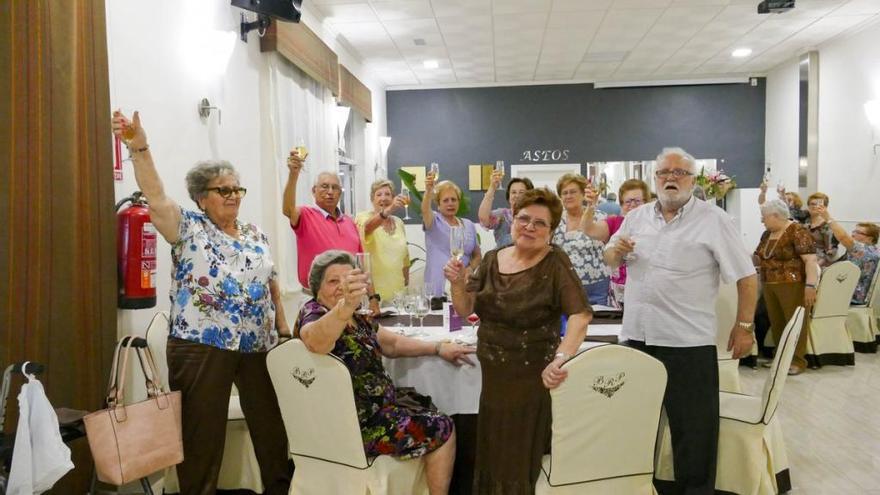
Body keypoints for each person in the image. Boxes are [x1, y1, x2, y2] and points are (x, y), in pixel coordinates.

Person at [111, 111, 291, 494]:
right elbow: (156, 197)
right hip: (201, 346)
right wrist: (139, 147)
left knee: (273, 431)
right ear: (201, 197)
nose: (232, 196)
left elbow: (271, 284)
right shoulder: (188, 227)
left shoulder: (254, 233)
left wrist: (283, 329)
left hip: (258, 345)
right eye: (222, 190)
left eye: (236, 189)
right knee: (201, 438)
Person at [605, 147, 757, 494]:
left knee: (694, 430)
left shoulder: (714, 220)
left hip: (687, 342)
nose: (671, 178)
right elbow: (610, 256)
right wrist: (616, 252)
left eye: (679, 173)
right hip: (637, 340)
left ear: (692, 180)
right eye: (664, 173)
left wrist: (744, 326)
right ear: (654, 179)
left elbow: (747, 277)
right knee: (636, 423)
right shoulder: (638, 217)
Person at [444, 188, 592, 493]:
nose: (529, 226)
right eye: (524, 218)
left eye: (540, 223)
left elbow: (580, 315)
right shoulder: (492, 258)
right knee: (493, 451)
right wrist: (457, 283)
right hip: (494, 378)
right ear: (512, 221)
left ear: (551, 232)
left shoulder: (555, 263)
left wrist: (561, 358)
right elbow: (465, 308)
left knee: (519, 456)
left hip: (532, 379)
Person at [294, 250, 475, 495]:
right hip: (351, 422)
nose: (342, 287)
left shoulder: (357, 317)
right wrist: (345, 306)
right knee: (442, 426)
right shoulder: (315, 312)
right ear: (317, 287)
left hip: (374, 409)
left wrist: (438, 347)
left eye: (348, 281)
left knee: (429, 408)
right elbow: (316, 341)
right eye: (333, 281)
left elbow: (392, 344)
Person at [753, 199, 819, 375]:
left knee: (795, 321)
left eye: (764, 217)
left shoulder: (797, 231)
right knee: (777, 323)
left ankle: (797, 361)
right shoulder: (767, 234)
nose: (762, 220)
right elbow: (759, 257)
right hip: (769, 283)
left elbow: (810, 260)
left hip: (793, 284)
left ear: (775, 216)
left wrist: (810, 285)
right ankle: (780, 357)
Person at [282, 153, 362, 290]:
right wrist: (293, 174)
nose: (330, 192)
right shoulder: (306, 215)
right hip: (317, 298)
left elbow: (361, 263)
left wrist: (372, 297)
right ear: (314, 191)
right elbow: (288, 209)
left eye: (335, 188)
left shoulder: (350, 222)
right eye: (324, 186)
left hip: (350, 295)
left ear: (340, 194)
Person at [579, 179, 650, 306]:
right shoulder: (615, 223)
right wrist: (590, 206)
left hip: (647, 290)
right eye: (628, 201)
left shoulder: (655, 226)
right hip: (619, 293)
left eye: (637, 201)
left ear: (647, 202)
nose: (632, 205)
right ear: (621, 204)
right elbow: (587, 229)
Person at [552, 173, 610, 305]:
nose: (568, 196)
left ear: (583, 194)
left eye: (573, 192)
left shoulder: (600, 217)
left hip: (598, 288)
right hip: (565, 287)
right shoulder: (554, 220)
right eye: (564, 193)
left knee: (600, 324)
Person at [422, 174, 481, 297]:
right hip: (437, 288)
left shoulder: (469, 224)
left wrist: (470, 269)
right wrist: (428, 190)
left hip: (463, 285)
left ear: (459, 202)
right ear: (438, 204)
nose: (450, 203)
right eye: (445, 200)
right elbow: (425, 209)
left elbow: (477, 255)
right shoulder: (433, 220)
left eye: (454, 200)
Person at [355, 180, 410, 300]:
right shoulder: (363, 217)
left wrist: (406, 285)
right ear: (372, 199)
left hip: (398, 293)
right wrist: (388, 210)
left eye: (387, 194)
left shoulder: (399, 222)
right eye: (379, 195)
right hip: (374, 296)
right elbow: (367, 228)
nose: (383, 198)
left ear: (393, 197)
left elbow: (405, 258)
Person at [815, 208, 879, 305]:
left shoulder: (866, 251)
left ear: (870, 238)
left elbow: (843, 237)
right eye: (854, 231)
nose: (853, 234)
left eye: (858, 232)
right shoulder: (873, 250)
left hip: (853, 295)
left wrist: (828, 218)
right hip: (848, 290)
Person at [477, 171, 534, 248]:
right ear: (509, 197)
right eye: (513, 192)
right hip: (502, 257)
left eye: (521, 192)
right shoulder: (502, 215)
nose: (517, 196)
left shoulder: (535, 217)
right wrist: (492, 187)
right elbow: (483, 218)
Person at [805, 192, 839, 267]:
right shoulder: (805, 221)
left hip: (820, 263)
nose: (815, 206)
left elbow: (831, 252)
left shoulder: (828, 225)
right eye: (812, 204)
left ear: (825, 207)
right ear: (808, 206)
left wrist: (815, 266)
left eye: (819, 204)